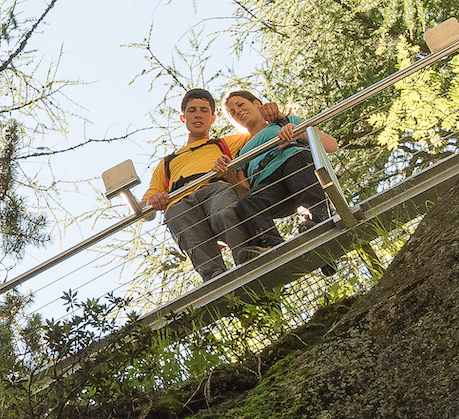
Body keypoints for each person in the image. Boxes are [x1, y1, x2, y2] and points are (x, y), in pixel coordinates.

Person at [137, 86, 249, 278]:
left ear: (213, 118)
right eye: (192, 110)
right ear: (183, 118)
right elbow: (144, 209)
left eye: (204, 110)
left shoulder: (225, 143)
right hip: (179, 203)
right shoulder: (167, 163)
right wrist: (153, 201)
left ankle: (247, 259)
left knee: (225, 211)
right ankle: (214, 280)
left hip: (213, 188)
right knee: (183, 224)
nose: (198, 115)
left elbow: (259, 127)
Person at [224, 90, 332, 251]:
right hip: (270, 185)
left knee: (296, 163)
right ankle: (272, 246)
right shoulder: (241, 154)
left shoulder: (285, 122)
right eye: (232, 113)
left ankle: (320, 223)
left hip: (297, 166)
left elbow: (331, 144)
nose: (238, 111)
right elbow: (243, 192)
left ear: (256, 103)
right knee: (247, 202)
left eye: (240, 105)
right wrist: (228, 174)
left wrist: (299, 131)